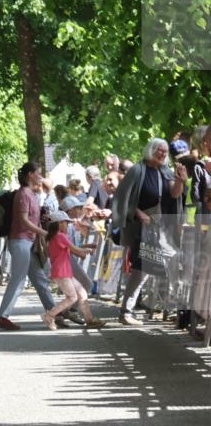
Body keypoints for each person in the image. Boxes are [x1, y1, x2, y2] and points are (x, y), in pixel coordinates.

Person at [110, 138, 185, 326]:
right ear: (151, 149)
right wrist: (138, 213)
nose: (163, 154)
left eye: (165, 151)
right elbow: (125, 198)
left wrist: (180, 180)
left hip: (161, 228)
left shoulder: (166, 172)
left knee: (165, 262)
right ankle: (128, 311)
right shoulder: (137, 170)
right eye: (160, 150)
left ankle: (170, 304)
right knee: (143, 269)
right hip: (143, 229)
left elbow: (174, 195)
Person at [0, 162, 57, 331]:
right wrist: (43, 233)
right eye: (39, 173)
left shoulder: (32, 194)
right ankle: (2, 317)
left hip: (28, 243)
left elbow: (30, 219)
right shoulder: (23, 194)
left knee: (40, 279)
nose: (41, 176)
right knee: (18, 279)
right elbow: (23, 220)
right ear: (30, 175)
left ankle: (54, 312)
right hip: (20, 241)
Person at [41, 210, 105, 330]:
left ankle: (90, 320)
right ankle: (49, 316)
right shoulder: (60, 236)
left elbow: (71, 248)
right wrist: (87, 251)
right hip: (62, 273)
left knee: (82, 293)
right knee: (72, 297)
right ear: (59, 223)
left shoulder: (55, 237)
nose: (68, 225)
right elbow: (75, 249)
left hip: (64, 272)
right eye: (66, 223)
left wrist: (85, 248)